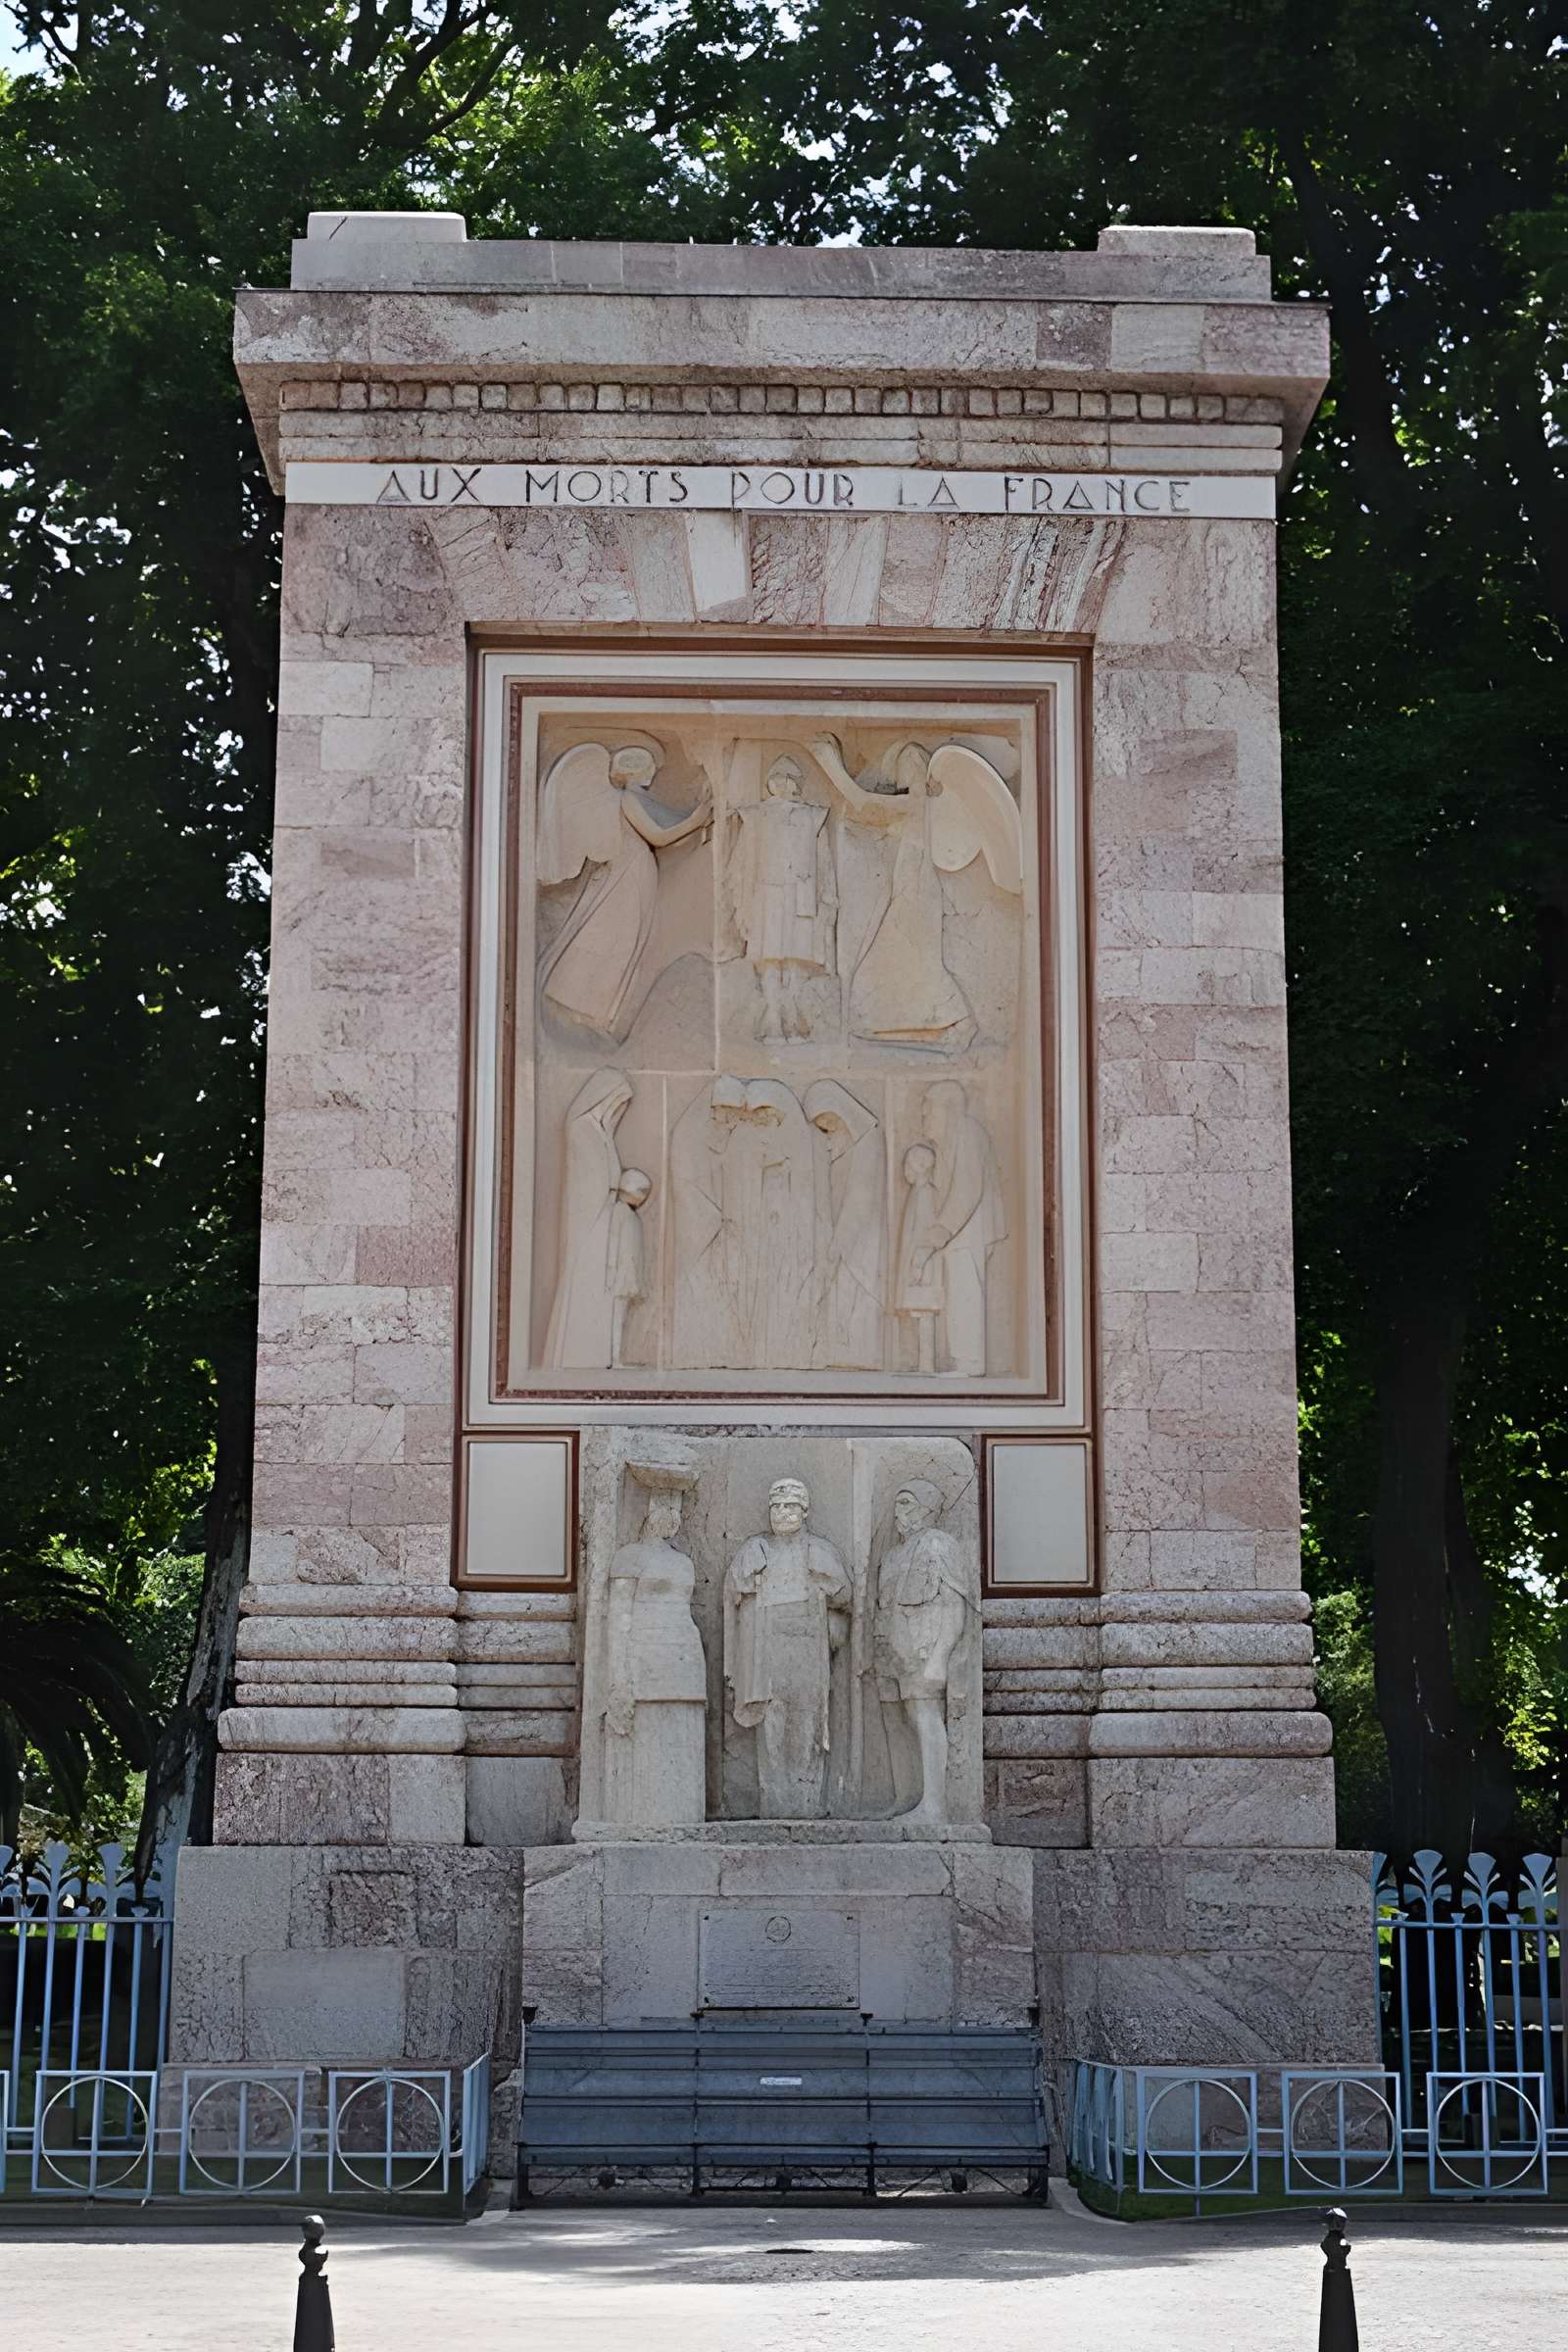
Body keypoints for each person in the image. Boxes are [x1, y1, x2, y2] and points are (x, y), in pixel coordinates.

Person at [536, 740, 710, 1040]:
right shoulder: (628, 799)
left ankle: (597, 1014)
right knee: (610, 940)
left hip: (636, 874)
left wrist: (697, 814)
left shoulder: (640, 800)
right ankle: (577, 1007)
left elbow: (668, 820)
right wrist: (696, 819)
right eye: (647, 765)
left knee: (625, 943)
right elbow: (660, 834)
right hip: (627, 876)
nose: (653, 771)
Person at [723, 1476, 852, 1819]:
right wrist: (748, 1577)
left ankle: (806, 1806)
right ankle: (775, 1807)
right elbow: (734, 1589)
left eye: (790, 1506)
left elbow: (845, 1596)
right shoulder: (756, 1549)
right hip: (767, 1651)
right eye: (776, 1507)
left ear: (805, 1511)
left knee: (807, 1727)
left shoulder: (820, 1550)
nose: (781, 1513)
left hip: (808, 1650)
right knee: (772, 1726)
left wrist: (827, 1581)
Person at [601, 1477, 708, 1829]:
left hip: (684, 1657)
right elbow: (618, 1619)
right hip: (644, 1654)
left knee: (680, 1739)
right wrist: (619, 1678)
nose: (671, 1515)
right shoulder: (628, 1557)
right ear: (646, 1510)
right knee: (644, 1746)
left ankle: (682, 1818)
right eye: (663, 1505)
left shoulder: (685, 1563)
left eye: (676, 1507)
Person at [872, 1480, 969, 1823]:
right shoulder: (892, 1555)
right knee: (894, 1721)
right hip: (890, 1647)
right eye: (898, 1504)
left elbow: (956, 1606)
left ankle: (934, 1804)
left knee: (923, 1714)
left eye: (907, 1503)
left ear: (928, 1508)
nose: (900, 1512)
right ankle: (905, 1796)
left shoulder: (940, 1545)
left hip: (922, 1645)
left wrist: (940, 1656)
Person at [728, 753, 837, 1041]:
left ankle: (790, 1017)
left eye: (788, 778)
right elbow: (744, 862)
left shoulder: (812, 817)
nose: (782, 783)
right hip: (767, 894)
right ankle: (774, 1019)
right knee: (770, 959)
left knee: (795, 960)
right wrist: (743, 904)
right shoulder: (756, 816)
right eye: (778, 778)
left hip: (802, 897)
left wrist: (828, 899)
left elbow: (823, 862)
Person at [542, 1067, 633, 1370]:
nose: (618, 1109)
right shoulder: (582, 1130)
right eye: (616, 1100)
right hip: (590, 1222)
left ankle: (596, 1354)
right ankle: (577, 1355)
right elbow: (590, 1183)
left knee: (599, 1288)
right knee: (585, 1282)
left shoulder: (600, 1134)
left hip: (603, 1219)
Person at [920, 1081, 1005, 1378]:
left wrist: (942, 1229)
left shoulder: (968, 1133)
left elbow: (968, 1189)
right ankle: (964, 1359)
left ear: (948, 1110)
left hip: (972, 1230)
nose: (924, 1118)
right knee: (958, 1290)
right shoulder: (950, 1139)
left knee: (966, 1288)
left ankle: (971, 1362)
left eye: (929, 1111)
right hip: (961, 1232)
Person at [894, 1139, 944, 1375]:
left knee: (925, 1312)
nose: (905, 1169)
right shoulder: (917, 1193)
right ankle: (920, 1362)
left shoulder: (926, 1194)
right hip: (917, 1261)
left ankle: (927, 1364)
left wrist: (919, 1262)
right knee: (919, 1310)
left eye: (908, 1164)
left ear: (920, 1166)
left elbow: (926, 1230)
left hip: (924, 1263)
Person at [607, 1167, 651, 1369]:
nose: (643, 1198)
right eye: (641, 1192)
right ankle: (614, 1358)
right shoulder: (619, 1212)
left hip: (630, 1274)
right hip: (620, 1275)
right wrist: (610, 1271)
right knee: (616, 1317)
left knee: (622, 1318)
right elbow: (614, 1242)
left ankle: (618, 1356)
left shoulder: (631, 1215)